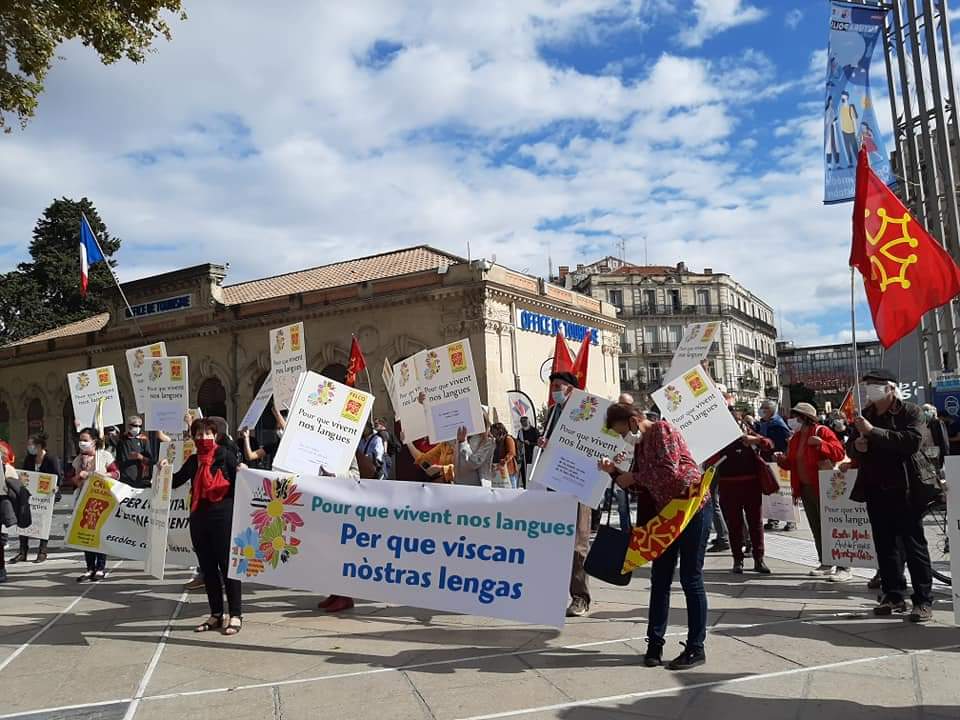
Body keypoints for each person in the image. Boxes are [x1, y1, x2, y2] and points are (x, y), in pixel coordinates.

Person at [601, 403, 712, 671]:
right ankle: (655, 644)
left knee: (690, 577)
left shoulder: (662, 430)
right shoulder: (640, 445)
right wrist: (615, 473)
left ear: (632, 420)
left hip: (691, 508)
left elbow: (669, 472)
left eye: (620, 431)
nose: (622, 437)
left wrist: (632, 476)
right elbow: (643, 485)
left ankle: (696, 647)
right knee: (660, 578)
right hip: (666, 514)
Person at [846, 370, 937, 622]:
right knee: (885, 547)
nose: (869, 390)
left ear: (889, 388)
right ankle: (893, 594)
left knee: (914, 546)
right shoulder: (866, 415)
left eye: (874, 385)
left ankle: (923, 600)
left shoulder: (911, 411)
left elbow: (911, 441)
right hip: (876, 489)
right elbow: (851, 446)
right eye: (867, 386)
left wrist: (873, 432)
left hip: (906, 490)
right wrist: (857, 446)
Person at [165, 418, 242, 635]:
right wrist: (163, 469)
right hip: (199, 517)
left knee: (228, 566)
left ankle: (235, 614)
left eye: (208, 433)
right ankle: (216, 614)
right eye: (199, 434)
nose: (203, 438)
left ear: (215, 435)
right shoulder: (193, 460)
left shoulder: (225, 455)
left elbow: (239, 486)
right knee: (207, 569)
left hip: (223, 517)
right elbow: (176, 481)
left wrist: (243, 470)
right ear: (193, 437)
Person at [537, 371, 593, 617]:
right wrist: (544, 444)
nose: (555, 391)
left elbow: (592, 445)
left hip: (579, 484)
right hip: (555, 482)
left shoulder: (588, 412)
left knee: (577, 544)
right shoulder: (552, 414)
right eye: (552, 387)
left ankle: (581, 596)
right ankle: (555, 591)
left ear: (571, 389)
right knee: (557, 541)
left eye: (559, 386)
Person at [775, 403, 848, 580]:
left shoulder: (821, 431)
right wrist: (781, 460)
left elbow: (838, 453)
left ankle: (843, 567)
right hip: (806, 488)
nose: (793, 420)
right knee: (816, 527)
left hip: (824, 487)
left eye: (796, 416)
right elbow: (792, 463)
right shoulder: (795, 438)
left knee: (832, 525)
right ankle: (825, 562)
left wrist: (822, 444)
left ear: (805, 417)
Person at [710, 417, 773, 575]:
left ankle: (759, 559)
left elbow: (769, 444)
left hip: (751, 485)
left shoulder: (746, 435)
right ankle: (737, 560)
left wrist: (755, 440)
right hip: (728, 486)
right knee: (734, 524)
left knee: (755, 523)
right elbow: (709, 463)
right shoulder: (717, 439)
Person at [72, 428, 120, 582]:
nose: (82, 443)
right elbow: (74, 482)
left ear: (94, 441)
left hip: (100, 500)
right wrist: (81, 473)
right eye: (80, 440)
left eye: (85, 439)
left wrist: (97, 474)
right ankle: (89, 568)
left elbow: (116, 473)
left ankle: (100, 567)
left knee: (99, 533)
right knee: (85, 534)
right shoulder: (79, 459)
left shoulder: (105, 456)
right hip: (83, 499)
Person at [11, 433, 62, 563]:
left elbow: (57, 476)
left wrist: (56, 487)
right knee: (24, 518)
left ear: (39, 446)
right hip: (29, 494)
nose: (29, 447)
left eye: (31, 444)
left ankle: (42, 551)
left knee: (43, 521)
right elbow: (24, 474)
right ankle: (23, 552)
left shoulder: (51, 458)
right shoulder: (29, 459)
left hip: (46, 496)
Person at [755, 400, 794, 531]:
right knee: (771, 490)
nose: (761, 410)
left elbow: (787, 442)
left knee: (784, 490)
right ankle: (773, 519)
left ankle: (790, 521)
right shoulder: (763, 423)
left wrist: (781, 454)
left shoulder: (778, 424)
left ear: (771, 410)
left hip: (779, 461)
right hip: (766, 461)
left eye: (763, 408)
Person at [112, 415, 153, 489]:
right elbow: (118, 458)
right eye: (135, 425)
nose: (137, 428)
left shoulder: (144, 439)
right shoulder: (122, 439)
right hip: (124, 478)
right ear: (128, 426)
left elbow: (150, 460)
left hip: (139, 477)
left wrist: (140, 457)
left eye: (140, 426)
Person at [455, 420, 496, 487]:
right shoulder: (463, 437)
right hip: (460, 484)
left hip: (477, 485)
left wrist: (463, 443)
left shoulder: (488, 440)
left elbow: (474, 463)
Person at [490, 422, 518, 489]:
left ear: (499, 430)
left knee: (511, 490)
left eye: (493, 430)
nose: (492, 432)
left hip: (509, 470)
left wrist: (504, 460)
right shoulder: (496, 441)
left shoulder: (508, 439)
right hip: (499, 470)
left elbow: (511, 453)